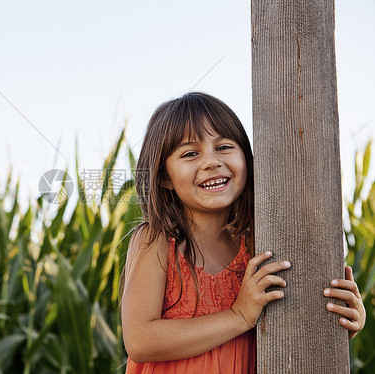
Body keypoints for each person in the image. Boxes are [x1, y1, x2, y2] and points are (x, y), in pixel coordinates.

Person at [120, 92, 366, 373]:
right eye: (190, 153)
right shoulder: (156, 241)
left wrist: (344, 321)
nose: (211, 161)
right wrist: (238, 316)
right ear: (164, 176)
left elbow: (297, 322)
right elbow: (140, 341)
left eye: (224, 147)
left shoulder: (259, 245)